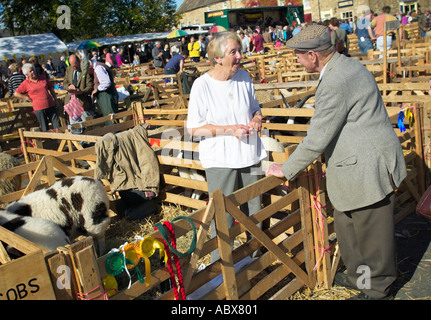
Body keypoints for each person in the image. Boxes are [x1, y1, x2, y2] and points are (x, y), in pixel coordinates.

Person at [265, 25, 407, 300]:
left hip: (367, 167)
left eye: (298, 55)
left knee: (370, 235)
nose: (297, 60)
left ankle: (377, 290)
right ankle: (359, 277)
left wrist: (286, 168)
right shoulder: (343, 67)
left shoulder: (335, 81)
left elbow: (317, 138)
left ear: (313, 56)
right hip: (356, 163)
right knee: (348, 228)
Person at [186, 32, 267, 262]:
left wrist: (257, 118)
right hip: (221, 161)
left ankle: (255, 261)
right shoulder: (202, 85)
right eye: (233, 52)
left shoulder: (244, 77)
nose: (240, 56)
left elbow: (255, 107)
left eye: (239, 50)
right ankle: (221, 272)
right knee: (223, 219)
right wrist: (230, 129)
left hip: (250, 155)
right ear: (218, 58)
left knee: (255, 213)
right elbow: (194, 129)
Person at [14, 63, 61, 131]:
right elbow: (16, 93)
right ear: (27, 74)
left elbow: (51, 88)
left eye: (33, 70)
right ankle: (48, 140)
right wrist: (26, 97)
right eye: (30, 71)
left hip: (50, 105)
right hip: (39, 108)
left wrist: (55, 99)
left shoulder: (42, 78)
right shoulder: (26, 83)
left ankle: (60, 140)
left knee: (57, 125)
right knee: (44, 127)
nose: (33, 72)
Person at [63, 54, 94, 131]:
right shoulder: (69, 70)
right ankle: (80, 142)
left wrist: (81, 91)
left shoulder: (84, 69)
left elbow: (90, 86)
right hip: (72, 102)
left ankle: (89, 141)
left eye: (75, 65)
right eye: (72, 65)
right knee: (74, 126)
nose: (74, 67)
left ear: (79, 61)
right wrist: (69, 86)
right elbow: (65, 82)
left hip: (83, 102)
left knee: (86, 124)